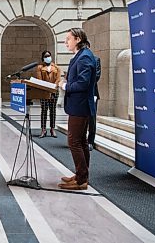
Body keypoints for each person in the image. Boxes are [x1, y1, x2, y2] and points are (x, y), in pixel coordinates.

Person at [58, 28, 97, 190]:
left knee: (74, 141)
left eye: (68, 39)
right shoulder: (80, 56)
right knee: (80, 141)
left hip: (81, 106)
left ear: (78, 39)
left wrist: (64, 85)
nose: (65, 42)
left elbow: (83, 83)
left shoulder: (85, 57)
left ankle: (81, 181)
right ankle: (81, 175)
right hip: (78, 105)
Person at [36, 50, 61, 138]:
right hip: (44, 91)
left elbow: (58, 79)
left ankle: (52, 129)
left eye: (49, 56)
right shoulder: (40, 67)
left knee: (53, 110)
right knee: (44, 110)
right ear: (43, 58)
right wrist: (46, 88)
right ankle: (43, 129)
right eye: (46, 56)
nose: (48, 57)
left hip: (54, 91)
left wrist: (53, 86)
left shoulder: (56, 68)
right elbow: (39, 79)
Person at [87, 47, 101, 151]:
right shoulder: (75, 60)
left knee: (92, 118)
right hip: (79, 94)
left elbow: (96, 76)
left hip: (92, 93)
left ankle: (90, 141)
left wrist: (82, 81)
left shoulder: (96, 59)